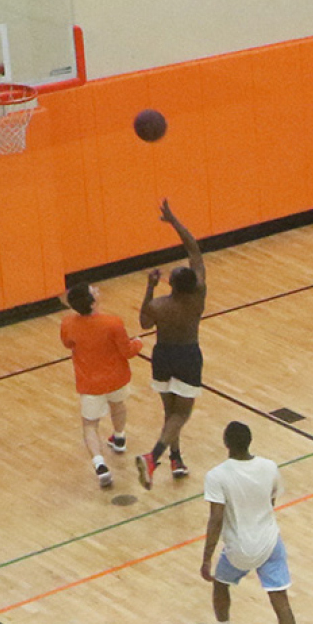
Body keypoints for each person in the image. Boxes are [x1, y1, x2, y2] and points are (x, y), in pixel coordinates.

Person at [196, 421, 301, 624]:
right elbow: (271, 501)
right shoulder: (269, 467)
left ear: (225, 442)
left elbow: (216, 519)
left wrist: (207, 557)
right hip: (270, 542)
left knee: (221, 583)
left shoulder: (217, 475)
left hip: (239, 549)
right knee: (281, 602)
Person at [136, 198, 207, 488]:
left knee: (170, 411)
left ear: (170, 284)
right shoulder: (199, 294)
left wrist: (149, 287)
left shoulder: (159, 305)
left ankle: (175, 459)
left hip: (162, 356)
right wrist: (175, 222)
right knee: (183, 413)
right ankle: (154, 458)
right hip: (188, 355)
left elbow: (143, 323)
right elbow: (194, 249)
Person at [60, 284, 143, 488]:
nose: (97, 290)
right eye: (93, 290)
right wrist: (138, 343)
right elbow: (127, 351)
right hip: (116, 377)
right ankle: (120, 437)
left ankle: (100, 464)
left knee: (90, 424)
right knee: (118, 405)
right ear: (93, 301)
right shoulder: (113, 323)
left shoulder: (68, 323)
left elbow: (68, 344)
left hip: (90, 383)